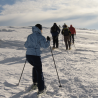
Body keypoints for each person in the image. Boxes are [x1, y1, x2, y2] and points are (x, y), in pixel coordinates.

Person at [24, 24, 50, 94]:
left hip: (28, 56)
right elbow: (45, 46)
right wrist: (48, 41)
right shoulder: (40, 37)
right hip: (35, 56)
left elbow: (25, 45)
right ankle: (41, 88)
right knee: (39, 71)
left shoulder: (29, 36)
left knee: (35, 67)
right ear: (40, 29)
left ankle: (35, 83)